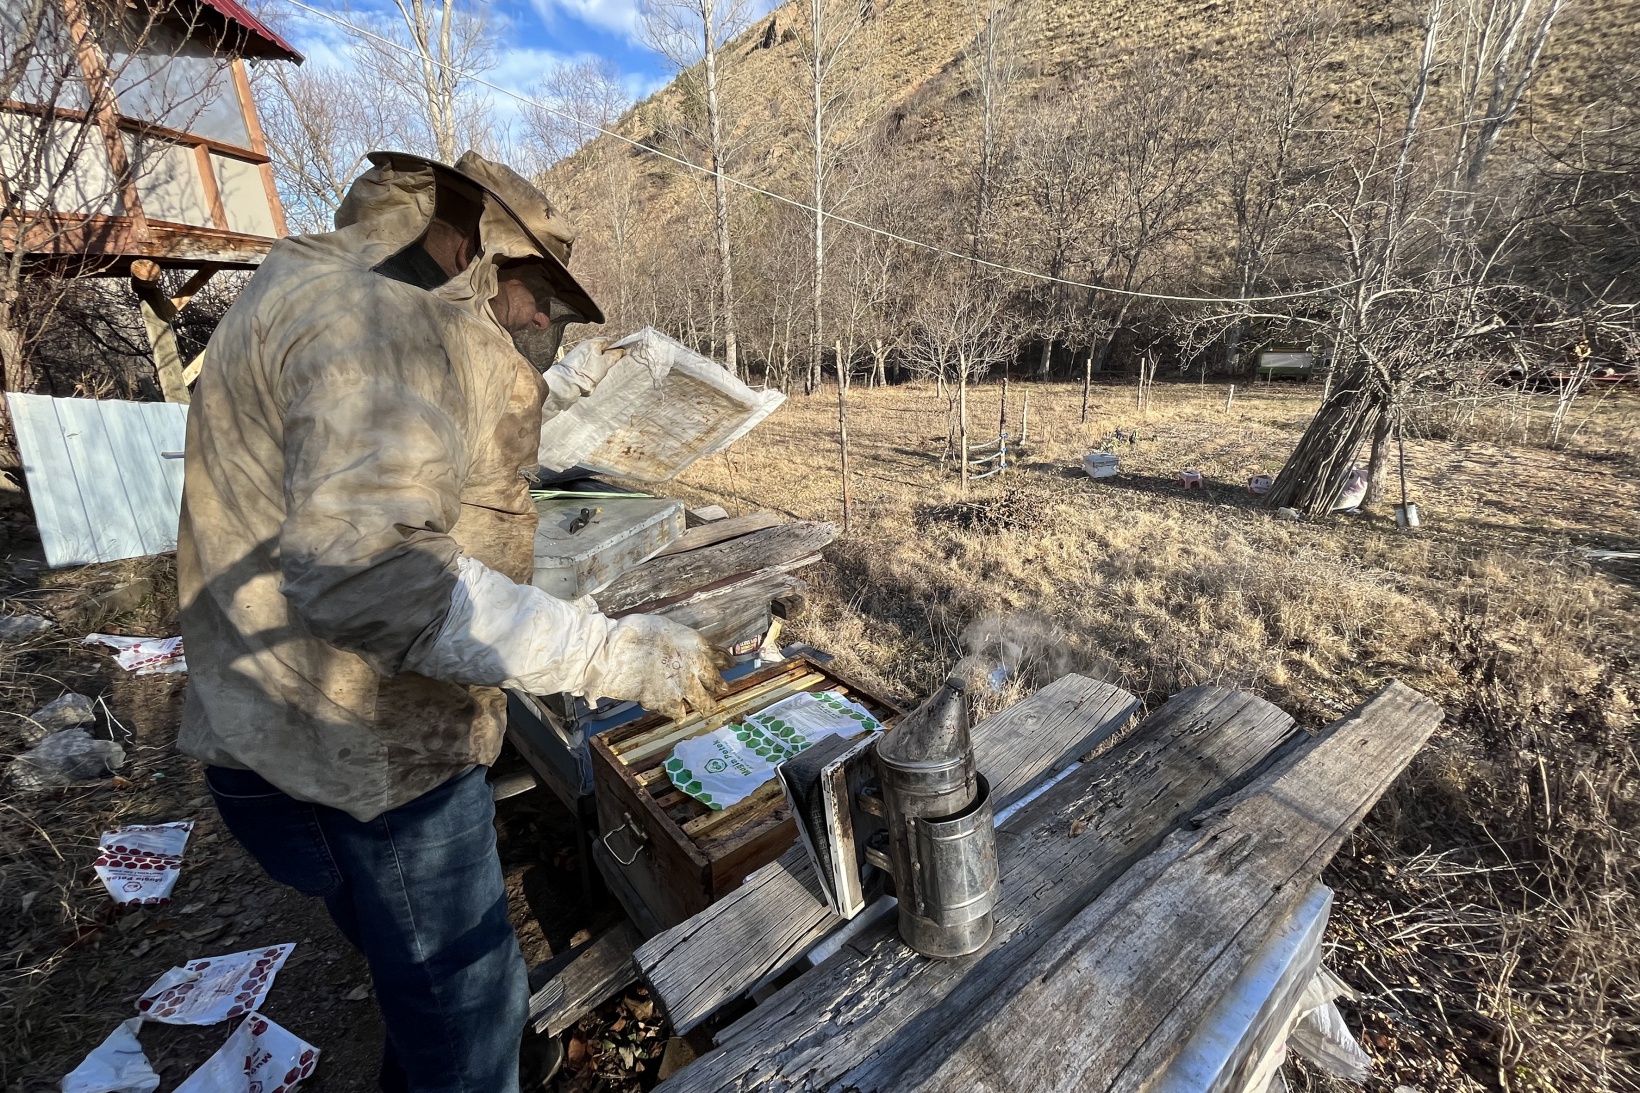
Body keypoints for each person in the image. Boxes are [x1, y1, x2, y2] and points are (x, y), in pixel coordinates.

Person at [176, 151, 729, 1093]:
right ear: (476, 249)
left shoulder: (327, 282)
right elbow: (376, 573)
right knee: (466, 1015)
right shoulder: (378, 324)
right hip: (367, 751)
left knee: (424, 989)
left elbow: (401, 496)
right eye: (536, 294)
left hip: (280, 734)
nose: (541, 321)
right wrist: (604, 651)